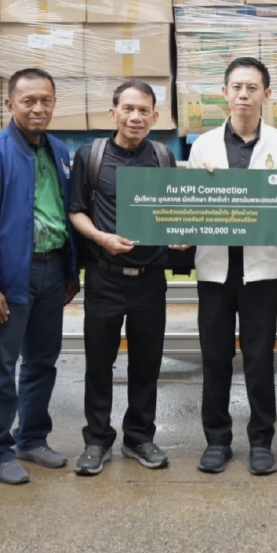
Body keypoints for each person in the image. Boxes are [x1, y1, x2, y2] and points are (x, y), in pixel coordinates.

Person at [187, 58, 277, 476]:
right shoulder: (203, 145)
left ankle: (260, 441)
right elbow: (192, 204)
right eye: (236, 87)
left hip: (261, 268)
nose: (243, 95)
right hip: (216, 269)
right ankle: (217, 440)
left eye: (252, 88)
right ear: (224, 93)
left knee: (258, 358)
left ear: (266, 95)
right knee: (214, 357)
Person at [0, 68, 79, 485]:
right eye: (28, 100)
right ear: (9, 104)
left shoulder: (58, 150)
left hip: (52, 269)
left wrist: (70, 268)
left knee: (42, 360)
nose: (38, 108)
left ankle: (31, 437)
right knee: (1, 365)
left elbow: (63, 212)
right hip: (12, 274)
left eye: (45, 100)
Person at [69, 80, 177, 476]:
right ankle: (97, 440)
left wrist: (179, 236)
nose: (136, 117)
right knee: (99, 362)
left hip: (150, 279)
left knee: (147, 363)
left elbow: (174, 212)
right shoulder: (91, 156)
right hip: (105, 277)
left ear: (155, 116)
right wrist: (100, 238)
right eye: (128, 108)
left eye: (143, 110)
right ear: (112, 112)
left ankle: (139, 437)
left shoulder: (163, 158)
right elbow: (76, 210)